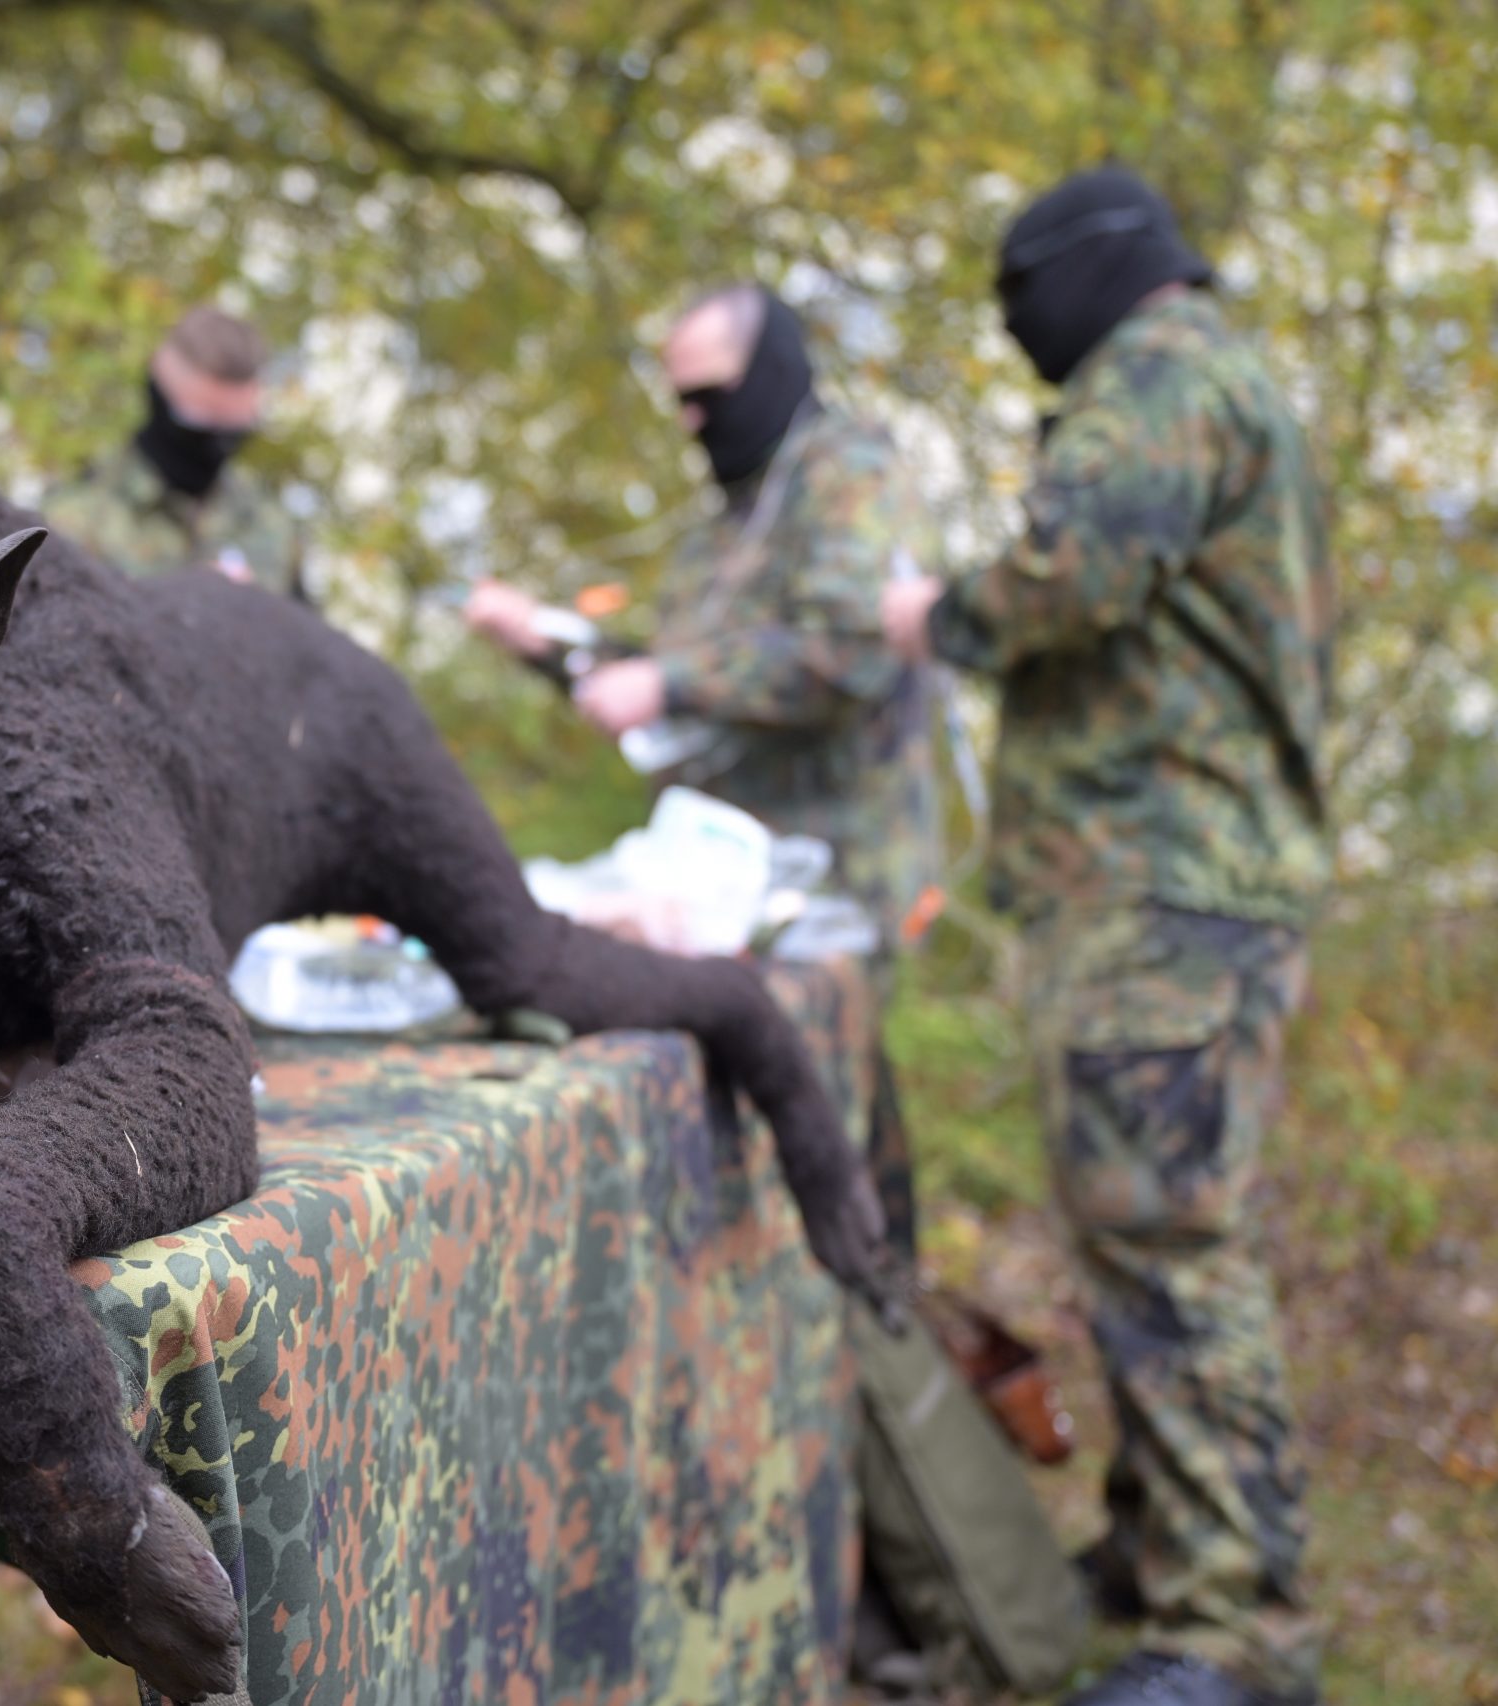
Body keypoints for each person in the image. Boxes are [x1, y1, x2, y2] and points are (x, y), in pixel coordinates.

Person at [882, 165, 1332, 1706]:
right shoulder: (1218, 373)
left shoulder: (1160, 371)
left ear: (1086, 274)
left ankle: (1238, 1635)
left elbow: (1077, 571)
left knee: (1171, 1256)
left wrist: (932, 610)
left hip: (1163, 888)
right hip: (1172, 886)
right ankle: (1164, 1563)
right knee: (1155, 1247)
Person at [467, 282, 941, 1252]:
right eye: (677, 397)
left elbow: (850, 649)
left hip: (825, 887)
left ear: (767, 371)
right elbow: (673, 689)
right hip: (722, 892)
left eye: (708, 395)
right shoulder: (729, 520)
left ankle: (875, 1303)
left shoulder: (843, 472)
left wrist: (670, 681)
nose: (691, 420)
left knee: (827, 1127)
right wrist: (548, 646)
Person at [44, 305, 307, 601]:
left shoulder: (268, 524)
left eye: (235, 431)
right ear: (159, 393)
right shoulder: (74, 519)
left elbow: (308, 640)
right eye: (200, 425)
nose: (217, 448)